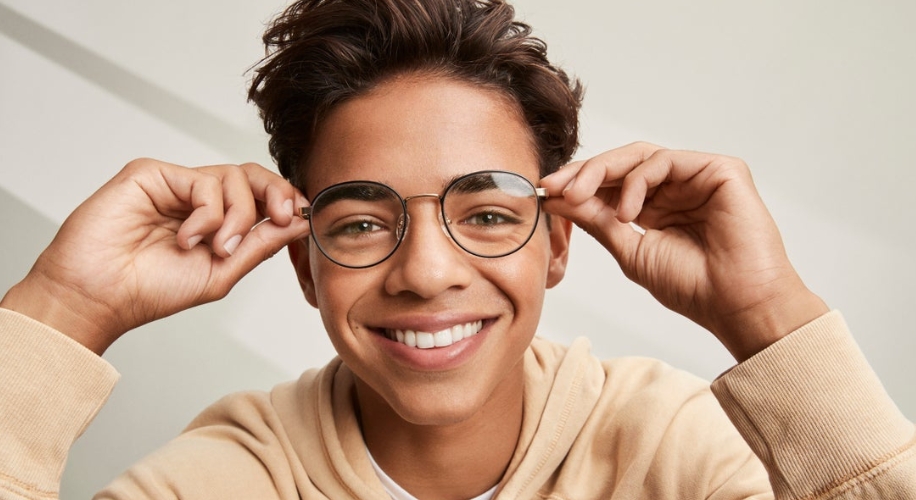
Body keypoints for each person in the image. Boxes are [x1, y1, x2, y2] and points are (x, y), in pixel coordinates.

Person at [0, 0, 913, 498]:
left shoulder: (669, 450)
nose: (428, 272)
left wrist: (767, 315)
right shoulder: (229, 478)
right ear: (304, 264)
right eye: (360, 222)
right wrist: (64, 309)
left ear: (559, 242)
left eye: (485, 214)